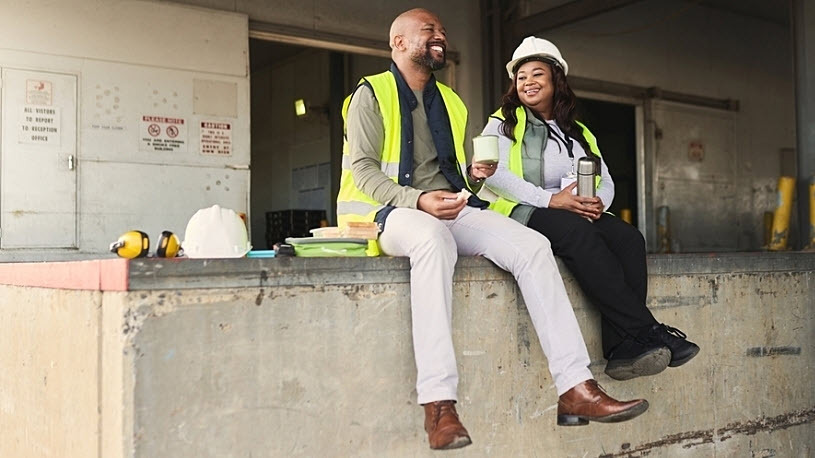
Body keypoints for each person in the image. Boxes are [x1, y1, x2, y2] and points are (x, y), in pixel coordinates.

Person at [338, 9, 648, 451]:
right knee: (433, 242)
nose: (440, 35)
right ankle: (439, 404)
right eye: (429, 30)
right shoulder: (370, 94)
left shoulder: (452, 101)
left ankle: (575, 387)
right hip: (387, 212)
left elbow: (451, 174)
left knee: (533, 246)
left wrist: (474, 176)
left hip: (449, 204)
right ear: (399, 42)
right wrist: (419, 200)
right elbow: (365, 171)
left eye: (442, 30)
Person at [480, 36, 700, 383]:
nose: (528, 82)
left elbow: (604, 178)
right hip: (523, 211)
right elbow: (495, 174)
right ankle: (647, 330)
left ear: (556, 80)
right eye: (521, 77)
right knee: (578, 232)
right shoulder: (504, 122)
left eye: (537, 74)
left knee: (628, 238)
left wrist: (598, 204)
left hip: (572, 211)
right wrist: (551, 200)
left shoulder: (578, 131)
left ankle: (622, 348)